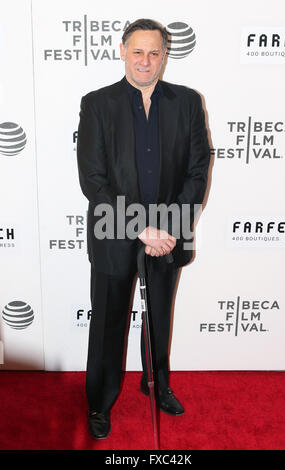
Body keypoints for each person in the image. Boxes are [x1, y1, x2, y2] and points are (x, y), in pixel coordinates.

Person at [77, 18, 210, 440]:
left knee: (159, 318)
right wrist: (141, 227)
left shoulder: (188, 102)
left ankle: (158, 382)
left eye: (155, 52)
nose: (146, 61)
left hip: (169, 234)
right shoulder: (97, 104)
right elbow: (93, 180)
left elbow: (197, 170)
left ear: (165, 55)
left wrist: (166, 228)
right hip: (114, 230)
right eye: (138, 51)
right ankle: (99, 402)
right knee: (108, 323)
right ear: (122, 51)